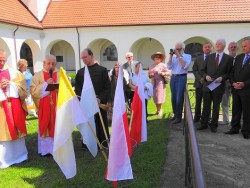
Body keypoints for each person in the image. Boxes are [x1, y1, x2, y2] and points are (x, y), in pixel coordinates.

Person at [75, 48, 111, 148]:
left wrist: (99, 98)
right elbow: (77, 89)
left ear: (91, 56)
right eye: (82, 58)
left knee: (100, 123)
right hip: (86, 103)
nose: (84, 60)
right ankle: (88, 144)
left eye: (85, 57)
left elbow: (107, 87)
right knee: (88, 124)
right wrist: (83, 100)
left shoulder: (102, 70)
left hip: (99, 102)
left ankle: (103, 142)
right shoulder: (80, 73)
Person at [197, 39, 234, 132]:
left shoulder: (229, 59)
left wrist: (222, 78)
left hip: (219, 86)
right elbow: (202, 70)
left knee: (216, 106)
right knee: (206, 105)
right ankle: (204, 123)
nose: (217, 45)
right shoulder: (209, 57)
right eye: (216, 44)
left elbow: (230, 73)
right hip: (207, 85)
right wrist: (206, 76)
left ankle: (214, 125)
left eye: (219, 44)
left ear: (224, 46)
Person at [0, 49, 28, 168]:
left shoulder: (14, 73)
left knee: (16, 128)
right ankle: (5, 159)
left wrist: (11, 84)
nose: (2, 63)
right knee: (3, 131)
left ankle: (20, 155)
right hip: (1, 107)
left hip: (14, 105)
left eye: (3, 60)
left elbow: (22, 88)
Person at [30, 54, 59, 156]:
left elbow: (66, 89)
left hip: (57, 107)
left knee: (58, 126)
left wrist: (57, 87)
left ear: (56, 63)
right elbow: (33, 92)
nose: (51, 66)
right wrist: (46, 84)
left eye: (53, 63)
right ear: (44, 64)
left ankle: (58, 149)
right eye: (49, 63)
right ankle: (46, 150)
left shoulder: (60, 74)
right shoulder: (37, 75)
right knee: (46, 127)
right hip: (45, 107)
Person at [225, 37, 250, 139]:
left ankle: (246, 130)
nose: (243, 48)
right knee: (236, 109)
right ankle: (234, 128)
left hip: (247, 90)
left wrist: (244, 84)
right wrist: (233, 83)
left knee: (247, 111)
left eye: (245, 46)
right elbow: (232, 72)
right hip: (236, 89)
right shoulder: (239, 57)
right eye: (243, 46)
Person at [167, 43, 192, 124]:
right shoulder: (174, 56)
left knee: (179, 98)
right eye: (176, 49)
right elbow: (169, 67)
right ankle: (175, 114)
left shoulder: (187, 56)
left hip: (181, 77)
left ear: (183, 49)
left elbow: (184, 66)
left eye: (179, 49)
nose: (177, 50)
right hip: (173, 77)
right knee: (173, 97)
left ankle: (178, 117)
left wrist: (178, 55)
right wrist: (171, 56)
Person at [192, 42, 212, 123]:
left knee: (207, 102)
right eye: (205, 47)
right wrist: (200, 78)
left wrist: (206, 78)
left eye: (208, 47)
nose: (207, 48)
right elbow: (195, 69)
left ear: (211, 48)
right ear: (203, 49)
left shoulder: (214, 58)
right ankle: (197, 117)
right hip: (199, 83)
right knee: (198, 101)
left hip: (209, 84)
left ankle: (207, 118)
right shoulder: (198, 58)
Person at [220, 42, 239, 125]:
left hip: (236, 84)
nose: (233, 48)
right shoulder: (225, 58)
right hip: (226, 83)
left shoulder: (240, 58)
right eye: (231, 47)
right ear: (228, 48)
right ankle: (226, 120)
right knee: (224, 102)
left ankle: (239, 121)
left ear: (237, 48)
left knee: (238, 104)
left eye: (234, 47)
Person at [149, 52, 171, 116]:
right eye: (156, 57)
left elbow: (169, 72)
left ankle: (160, 109)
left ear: (161, 59)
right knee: (155, 96)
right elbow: (149, 74)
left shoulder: (163, 65)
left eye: (159, 58)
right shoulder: (151, 66)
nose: (157, 59)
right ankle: (157, 109)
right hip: (153, 82)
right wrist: (150, 75)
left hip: (160, 82)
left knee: (159, 96)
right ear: (154, 59)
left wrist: (163, 73)